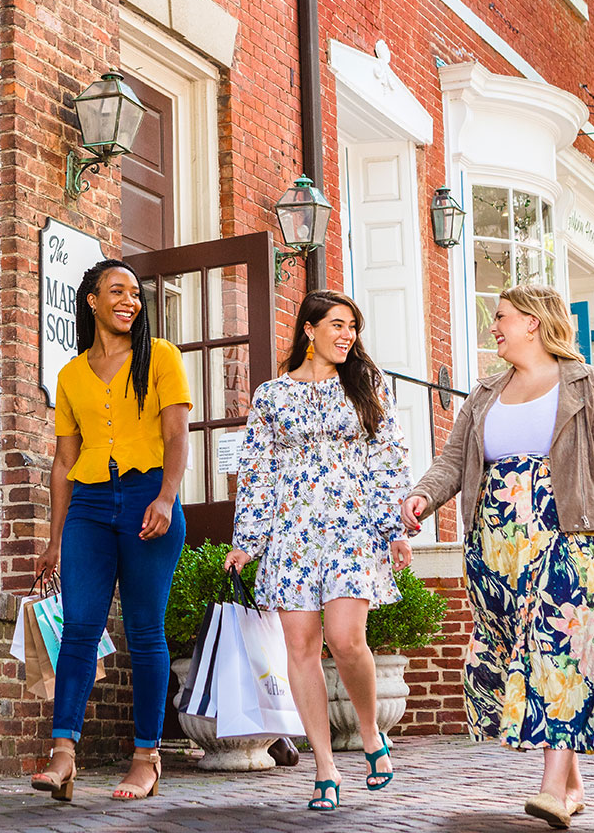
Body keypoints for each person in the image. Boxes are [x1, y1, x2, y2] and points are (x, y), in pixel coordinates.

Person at [400, 285, 594, 830]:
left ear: (534, 323)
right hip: (497, 547)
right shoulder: (485, 393)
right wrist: (422, 496)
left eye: (502, 318)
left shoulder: (588, 385)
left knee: (559, 653)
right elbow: (451, 463)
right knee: (527, 656)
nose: (495, 327)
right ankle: (572, 784)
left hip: (572, 536)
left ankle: (550, 792)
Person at [224, 290, 414, 814]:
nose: (348, 335)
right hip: (291, 532)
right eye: (337, 324)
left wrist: (394, 527)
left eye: (353, 326)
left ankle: (371, 732)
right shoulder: (271, 396)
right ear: (308, 330)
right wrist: (247, 541)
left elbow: (389, 457)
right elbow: (257, 471)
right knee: (301, 647)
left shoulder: (366, 385)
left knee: (347, 640)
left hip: (352, 528)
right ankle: (325, 768)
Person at [32, 259, 191, 803]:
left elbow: (176, 436)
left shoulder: (161, 358)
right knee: (78, 628)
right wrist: (55, 539)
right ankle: (63, 755)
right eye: (116, 291)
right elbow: (62, 461)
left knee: (145, 631)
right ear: (92, 300)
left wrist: (167, 498)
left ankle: (147, 758)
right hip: (90, 507)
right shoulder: (70, 374)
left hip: (149, 500)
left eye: (136, 293)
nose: (130, 300)